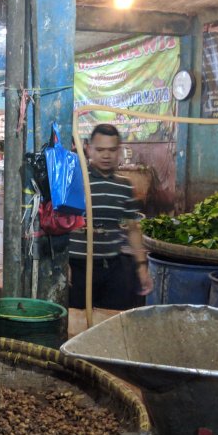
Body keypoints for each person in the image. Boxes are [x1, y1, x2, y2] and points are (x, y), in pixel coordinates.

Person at [68, 123, 153, 310]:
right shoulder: (75, 180)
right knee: (76, 322)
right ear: (89, 149)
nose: (106, 156)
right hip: (78, 269)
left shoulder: (124, 186)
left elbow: (133, 229)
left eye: (112, 150)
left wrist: (141, 266)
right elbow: (62, 224)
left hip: (112, 268)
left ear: (119, 151)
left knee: (111, 321)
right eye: (100, 150)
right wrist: (63, 265)